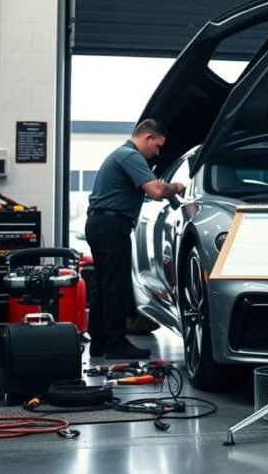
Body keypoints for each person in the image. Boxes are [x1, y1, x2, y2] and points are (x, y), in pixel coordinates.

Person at [85, 119, 185, 359]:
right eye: (158, 146)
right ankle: (116, 343)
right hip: (111, 226)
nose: (157, 152)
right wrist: (177, 186)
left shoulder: (122, 155)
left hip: (100, 224)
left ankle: (99, 342)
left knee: (102, 284)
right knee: (115, 285)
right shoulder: (130, 155)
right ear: (147, 138)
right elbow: (156, 191)